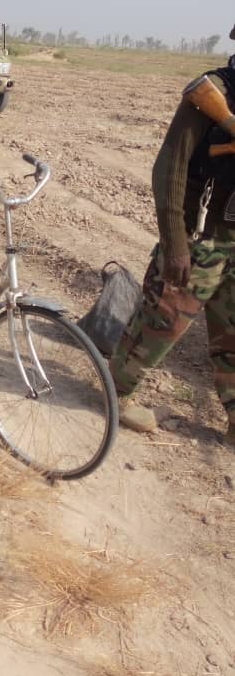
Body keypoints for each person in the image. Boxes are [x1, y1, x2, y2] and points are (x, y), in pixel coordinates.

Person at [110, 60, 235, 444]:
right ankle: (115, 394)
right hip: (200, 241)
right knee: (157, 327)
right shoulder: (214, 91)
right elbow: (170, 167)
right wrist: (175, 242)